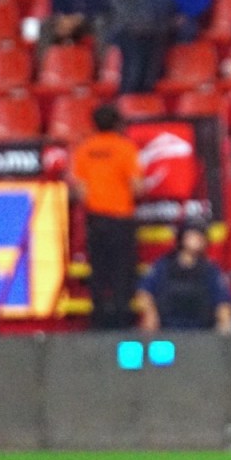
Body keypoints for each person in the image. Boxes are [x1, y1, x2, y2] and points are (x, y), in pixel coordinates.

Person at [69, 104, 144, 330]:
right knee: (123, 270)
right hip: (121, 219)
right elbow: (137, 186)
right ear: (117, 123)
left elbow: (79, 188)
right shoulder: (125, 148)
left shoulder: (84, 149)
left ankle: (98, 321)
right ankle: (122, 321)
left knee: (99, 271)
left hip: (96, 219)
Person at [136, 220, 231, 334]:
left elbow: (223, 302)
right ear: (182, 238)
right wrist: (150, 314)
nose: (197, 240)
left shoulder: (210, 270)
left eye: (200, 237)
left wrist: (224, 327)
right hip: (166, 331)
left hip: (201, 333)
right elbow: (144, 292)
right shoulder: (163, 266)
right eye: (193, 236)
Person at [106, 0, 175, 94]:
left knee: (149, 78)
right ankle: (126, 109)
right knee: (133, 75)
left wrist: (168, 19)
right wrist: (135, 22)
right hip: (131, 31)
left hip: (157, 30)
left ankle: (144, 109)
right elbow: (117, 0)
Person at [36, 0, 109, 65]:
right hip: (67, 19)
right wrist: (62, 17)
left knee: (101, 24)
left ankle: (101, 68)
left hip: (89, 20)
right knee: (46, 26)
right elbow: (56, 1)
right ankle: (42, 68)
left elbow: (102, 4)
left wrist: (79, 17)